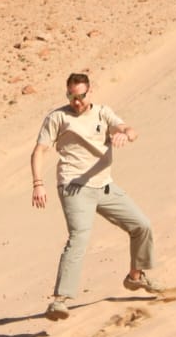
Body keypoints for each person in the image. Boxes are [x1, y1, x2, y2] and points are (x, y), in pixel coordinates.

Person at [31, 72, 160, 320]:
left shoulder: (103, 112)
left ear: (90, 92)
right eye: (71, 96)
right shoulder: (58, 117)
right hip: (74, 187)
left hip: (104, 186)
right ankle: (60, 300)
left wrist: (125, 133)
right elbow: (39, 151)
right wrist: (38, 183)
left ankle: (135, 277)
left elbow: (130, 130)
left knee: (142, 225)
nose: (76, 101)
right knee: (79, 237)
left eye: (80, 96)